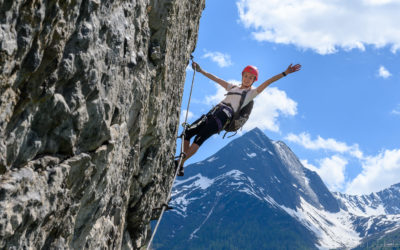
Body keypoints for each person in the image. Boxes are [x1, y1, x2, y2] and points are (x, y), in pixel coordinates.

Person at [176, 62, 301, 176]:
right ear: (242, 76)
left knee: (199, 139)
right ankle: (181, 164)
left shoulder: (251, 93)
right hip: (213, 113)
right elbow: (217, 79)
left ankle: (180, 161)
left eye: (251, 78)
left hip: (223, 118)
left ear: (254, 80)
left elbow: (268, 82)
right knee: (187, 132)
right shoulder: (233, 87)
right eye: (246, 76)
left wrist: (285, 73)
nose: (247, 79)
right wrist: (201, 70)